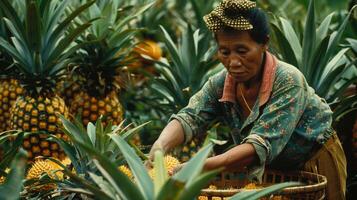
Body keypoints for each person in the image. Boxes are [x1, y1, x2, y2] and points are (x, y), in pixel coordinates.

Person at [147, 0, 347, 199]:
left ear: (264, 44)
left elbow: (259, 145)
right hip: (270, 170)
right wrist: (160, 145)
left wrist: (199, 166)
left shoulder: (288, 80)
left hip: (313, 161)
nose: (233, 62)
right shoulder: (220, 84)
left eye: (242, 51)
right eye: (225, 52)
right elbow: (190, 116)